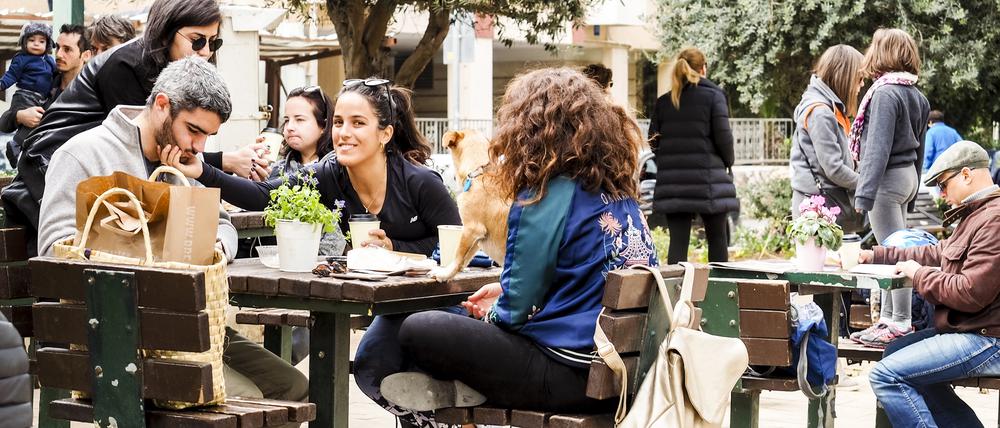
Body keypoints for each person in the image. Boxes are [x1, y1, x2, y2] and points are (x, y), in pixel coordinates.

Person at [367, 67, 657, 427]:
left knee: (417, 326)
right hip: (619, 373)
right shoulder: (619, 195)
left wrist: (493, 312)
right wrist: (505, 288)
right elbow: (584, 277)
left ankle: (460, 391)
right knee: (452, 320)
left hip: (566, 374)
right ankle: (461, 386)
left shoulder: (545, 198)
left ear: (532, 132)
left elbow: (515, 312)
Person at [35, 56, 308, 413]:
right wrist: (146, 239)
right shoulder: (83, 154)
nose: (199, 145)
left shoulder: (180, 159)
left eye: (208, 136)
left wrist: (216, 247)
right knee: (250, 402)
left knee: (294, 387)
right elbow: (54, 249)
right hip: (119, 339)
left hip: (189, 327)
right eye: (193, 130)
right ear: (162, 104)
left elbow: (222, 224)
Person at [1, 0, 268, 257]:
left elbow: (167, 154)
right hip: (50, 162)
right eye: (197, 40)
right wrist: (224, 162)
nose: (206, 51)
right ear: (167, 32)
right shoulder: (127, 66)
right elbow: (137, 146)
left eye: (213, 42)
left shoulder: (172, 95)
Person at [859, 140, 1000, 427]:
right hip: (971, 328)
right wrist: (874, 254)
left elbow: (970, 292)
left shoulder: (993, 219)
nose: (941, 193)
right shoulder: (978, 214)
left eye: (943, 184)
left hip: (988, 338)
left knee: (886, 375)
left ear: (966, 174)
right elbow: (936, 252)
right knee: (895, 352)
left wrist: (918, 274)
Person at [849, 28, 930, 346]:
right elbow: (921, 149)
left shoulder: (884, 93)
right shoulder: (916, 94)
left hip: (887, 181)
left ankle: (898, 322)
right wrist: (913, 189)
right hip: (907, 176)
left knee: (890, 257)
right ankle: (890, 320)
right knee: (898, 251)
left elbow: (877, 148)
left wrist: (864, 192)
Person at [647, 47, 737, 264]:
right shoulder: (714, 97)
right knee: (717, 239)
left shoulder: (664, 101)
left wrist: (667, 163)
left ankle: (675, 294)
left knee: (677, 243)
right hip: (709, 182)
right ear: (703, 68)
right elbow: (724, 139)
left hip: (673, 184)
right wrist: (728, 162)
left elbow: (653, 141)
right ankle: (720, 292)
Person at [790, 45, 865, 231]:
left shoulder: (828, 108)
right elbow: (834, 168)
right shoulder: (821, 112)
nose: (862, 84)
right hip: (818, 212)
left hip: (822, 208)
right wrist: (866, 184)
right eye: (860, 78)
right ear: (845, 77)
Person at [1, 24, 92, 165]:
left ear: (85, 55)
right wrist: (19, 116)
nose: (59, 54)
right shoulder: (46, 83)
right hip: (32, 169)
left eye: (67, 49)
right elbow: (4, 123)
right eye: (58, 47)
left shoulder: (89, 93)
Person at [923, 110, 963, 178]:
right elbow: (962, 146)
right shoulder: (952, 131)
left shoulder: (931, 132)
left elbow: (928, 152)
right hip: (953, 169)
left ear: (930, 122)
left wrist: (924, 168)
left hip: (938, 170)